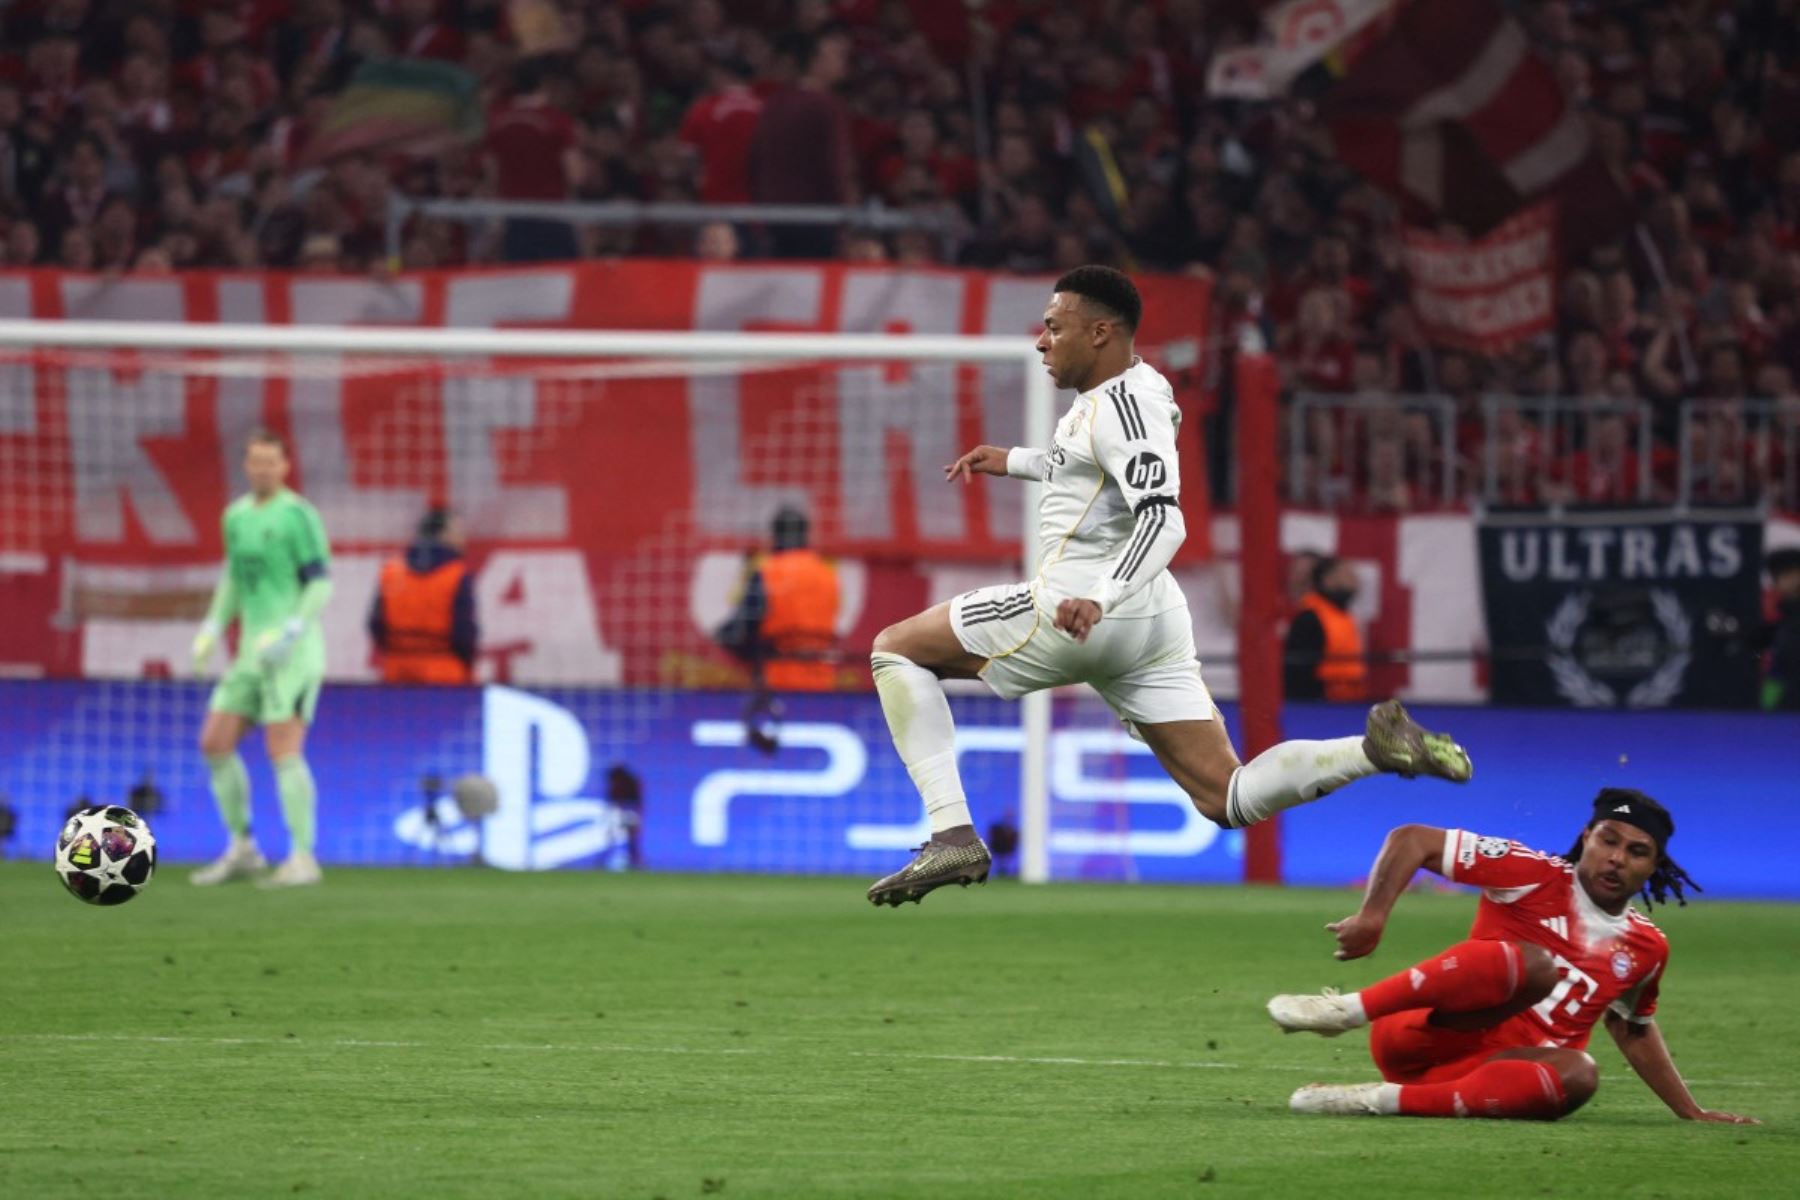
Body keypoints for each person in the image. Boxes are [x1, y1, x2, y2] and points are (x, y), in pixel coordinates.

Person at [865, 266, 1473, 907]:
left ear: (1100, 332)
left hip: (1082, 610)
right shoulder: (1134, 388)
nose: (1041, 342)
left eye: (1054, 327)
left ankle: (951, 832)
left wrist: (1100, 595)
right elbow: (1086, 471)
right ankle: (1373, 749)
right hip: (1152, 621)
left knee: (896, 648)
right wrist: (1013, 461)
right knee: (1227, 796)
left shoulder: (1119, 411)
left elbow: (1163, 515)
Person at [1267, 790, 1757, 1125]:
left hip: (1492, 1076)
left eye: (1637, 851)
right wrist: (1372, 917)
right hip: (1422, 1033)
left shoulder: (1648, 946)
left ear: (1653, 867)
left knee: (1581, 1074)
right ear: (1586, 837)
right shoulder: (1531, 873)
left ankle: (1372, 1100)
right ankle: (1344, 1011)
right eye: (1608, 840)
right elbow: (1412, 839)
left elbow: (1632, 1027)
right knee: (1536, 966)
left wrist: (1690, 1110)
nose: (1617, 858)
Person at [189, 431, 333, 887]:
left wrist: (293, 629)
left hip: (292, 652)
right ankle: (244, 848)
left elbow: (320, 581)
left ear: (285, 466)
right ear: (246, 465)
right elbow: (235, 576)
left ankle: (303, 857)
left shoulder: (298, 515)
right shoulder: (235, 516)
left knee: (283, 750)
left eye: (271, 462)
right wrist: (213, 626)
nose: (262, 470)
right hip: (250, 652)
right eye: (255, 462)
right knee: (214, 741)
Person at [714, 507, 841, 747]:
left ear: (774, 536)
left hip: (776, 684)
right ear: (806, 535)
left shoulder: (769, 571)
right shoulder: (828, 575)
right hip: (823, 685)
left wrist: (737, 648)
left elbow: (740, 629)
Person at [748, 29, 854, 259]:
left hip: (775, 217)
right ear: (815, 62)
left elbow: (756, 160)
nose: (842, 63)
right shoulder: (826, 106)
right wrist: (846, 216)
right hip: (816, 219)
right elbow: (835, 165)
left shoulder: (775, 102)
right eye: (835, 57)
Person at [368, 507, 478, 684]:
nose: (463, 538)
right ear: (442, 534)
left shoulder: (392, 572)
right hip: (445, 675)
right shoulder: (456, 575)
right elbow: (464, 635)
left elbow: (376, 625)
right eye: (458, 531)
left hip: (397, 672)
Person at [1283, 555, 1368, 702]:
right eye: (1346, 575)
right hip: (1320, 704)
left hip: (1347, 701)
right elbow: (1298, 669)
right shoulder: (1310, 618)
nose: (1354, 581)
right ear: (1328, 580)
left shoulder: (1343, 615)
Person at [1760, 547, 1800, 710]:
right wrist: (1765, 709)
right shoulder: (1781, 617)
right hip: (1787, 711)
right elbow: (1777, 670)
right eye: (1779, 576)